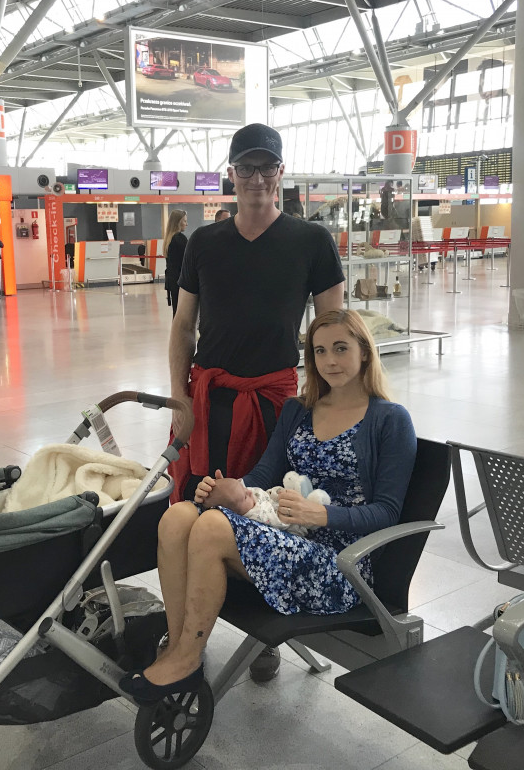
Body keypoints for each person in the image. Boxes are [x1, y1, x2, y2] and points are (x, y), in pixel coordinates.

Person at [122, 309, 416, 703]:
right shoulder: (299, 409)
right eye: (320, 351)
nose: (330, 361)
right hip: (285, 531)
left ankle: (185, 661)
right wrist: (228, 488)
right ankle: (179, 649)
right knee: (177, 516)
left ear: (365, 352)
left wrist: (324, 514)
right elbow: (263, 475)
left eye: (341, 349)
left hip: (338, 563)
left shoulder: (389, 419)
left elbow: (387, 511)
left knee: (211, 529)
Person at [166, 122, 345, 681]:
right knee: (198, 505)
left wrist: (331, 404)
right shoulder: (203, 242)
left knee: (260, 510)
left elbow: (333, 326)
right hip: (212, 398)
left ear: (281, 175)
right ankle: (184, 634)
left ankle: (262, 634)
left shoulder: (311, 241)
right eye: (246, 168)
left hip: (275, 403)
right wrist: (179, 400)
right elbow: (183, 327)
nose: (257, 179)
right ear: (231, 175)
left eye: (267, 168)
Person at [163, 209, 188, 316]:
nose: (187, 224)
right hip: (182, 281)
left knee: (176, 312)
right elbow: (187, 261)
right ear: (178, 222)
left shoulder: (169, 239)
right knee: (183, 314)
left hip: (172, 280)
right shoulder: (180, 239)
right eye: (185, 221)